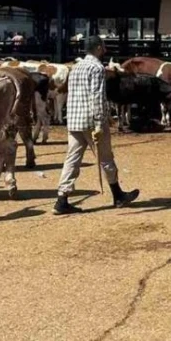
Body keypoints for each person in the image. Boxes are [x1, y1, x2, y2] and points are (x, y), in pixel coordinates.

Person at [54, 36, 140, 215]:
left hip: (75, 119)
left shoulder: (75, 67)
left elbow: (71, 94)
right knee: (106, 158)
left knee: (72, 158)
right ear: (99, 48)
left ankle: (62, 198)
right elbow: (97, 96)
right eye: (104, 46)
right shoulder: (97, 68)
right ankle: (118, 195)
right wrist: (100, 122)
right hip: (92, 121)